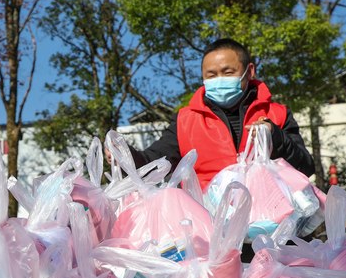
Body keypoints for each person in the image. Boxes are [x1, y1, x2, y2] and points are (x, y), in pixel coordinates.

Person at [127, 37, 315, 190]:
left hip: (272, 227)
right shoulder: (185, 121)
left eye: (227, 72)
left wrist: (276, 138)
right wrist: (126, 155)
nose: (219, 80)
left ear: (249, 71)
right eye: (211, 75)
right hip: (208, 229)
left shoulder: (277, 114)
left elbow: (306, 168)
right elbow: (152, 164)